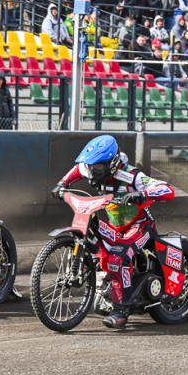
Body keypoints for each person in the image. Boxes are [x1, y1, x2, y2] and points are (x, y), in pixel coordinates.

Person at [51, 135, 175, 329]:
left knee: (118, 255)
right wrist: (62, 184)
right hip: (117, 226)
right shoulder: (90, 167)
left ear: (112, 163)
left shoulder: (131, 176)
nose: (93, 171)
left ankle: (121, 310)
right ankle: (104, 285)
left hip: (140, 225)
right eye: (91, 166)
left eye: (98, 167)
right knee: (90, 233)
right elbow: (78, 170)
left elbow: (167, 190)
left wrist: (141, 194)